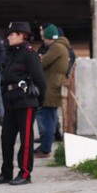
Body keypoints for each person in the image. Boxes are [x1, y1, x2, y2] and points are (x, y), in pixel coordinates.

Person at [0, 21, 46, 186]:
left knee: (26, 139)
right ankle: (6, 172)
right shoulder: (10, 52)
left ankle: (25, 173)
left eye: (12, 34)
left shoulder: (28, 53)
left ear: (22, 35)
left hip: (25, 100)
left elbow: (40, 80)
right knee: (6, 138)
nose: (9, 37)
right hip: (11, 100)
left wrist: (38, 101)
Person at [35, 24, 69, 158]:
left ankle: (45, 150)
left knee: (47, 119)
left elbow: (42, 63)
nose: (43, 40)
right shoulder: (62, 46)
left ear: (49, 38)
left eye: (44, 38)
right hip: (54, 84)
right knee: (50, 117)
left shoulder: (56, 47)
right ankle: (44, 147)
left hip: (51, 87)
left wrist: (39, 59)